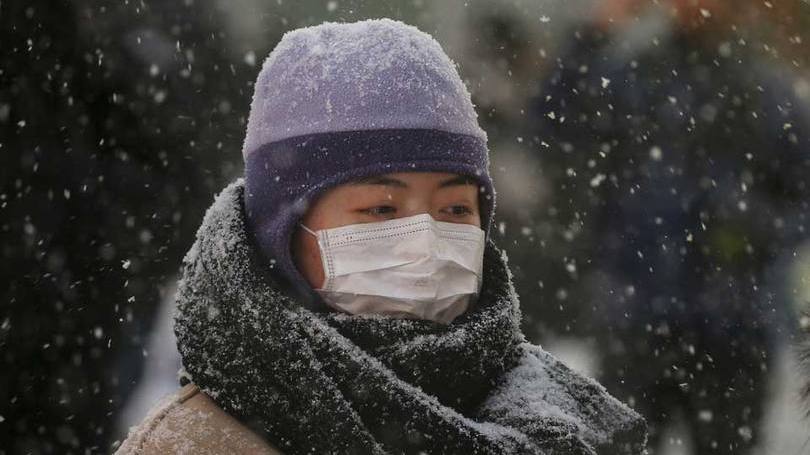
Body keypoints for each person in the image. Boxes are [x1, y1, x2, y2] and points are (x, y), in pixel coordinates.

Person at [115, 18, 647, 454]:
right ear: (281, 231)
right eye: (380, 208)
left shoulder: (562, 424)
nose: (425, 239)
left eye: (456, 207)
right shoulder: (198, 445)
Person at [527, 1, 810, 453]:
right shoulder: (627, 74)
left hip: (735, 330)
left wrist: (753, 226)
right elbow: (552, 125)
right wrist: (595, 32)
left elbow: (801, 200)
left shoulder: (768, 91)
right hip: (635, 319)